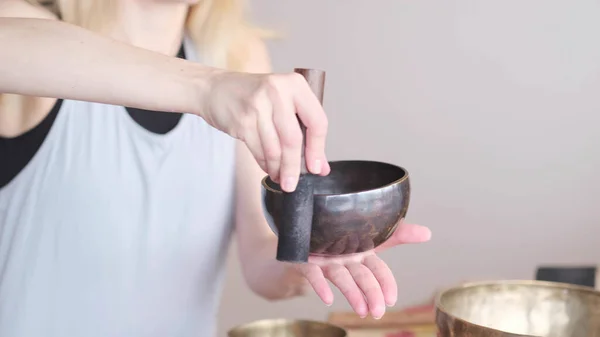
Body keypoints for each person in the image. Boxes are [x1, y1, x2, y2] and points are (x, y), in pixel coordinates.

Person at [0, 0, 432, 336]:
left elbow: (262, 260)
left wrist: (305, 252)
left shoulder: (238, 56)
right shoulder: (30, 26)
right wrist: (205, 87)